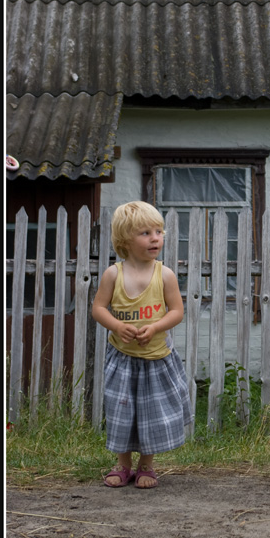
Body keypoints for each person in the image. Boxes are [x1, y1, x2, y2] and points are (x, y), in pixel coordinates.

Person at [92, 201, 192, 489]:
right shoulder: (114, 274)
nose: (155, 238)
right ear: (125, 239)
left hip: (157, 358)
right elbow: (98, 308)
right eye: (145, 232)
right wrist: (117, 325)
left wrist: (156, 327)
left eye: (158, 231)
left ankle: (147, 465)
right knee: (122, 412)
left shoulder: (165, 274)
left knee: (152, 414)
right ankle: (123, 465)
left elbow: (176, 312)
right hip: (122, 359)